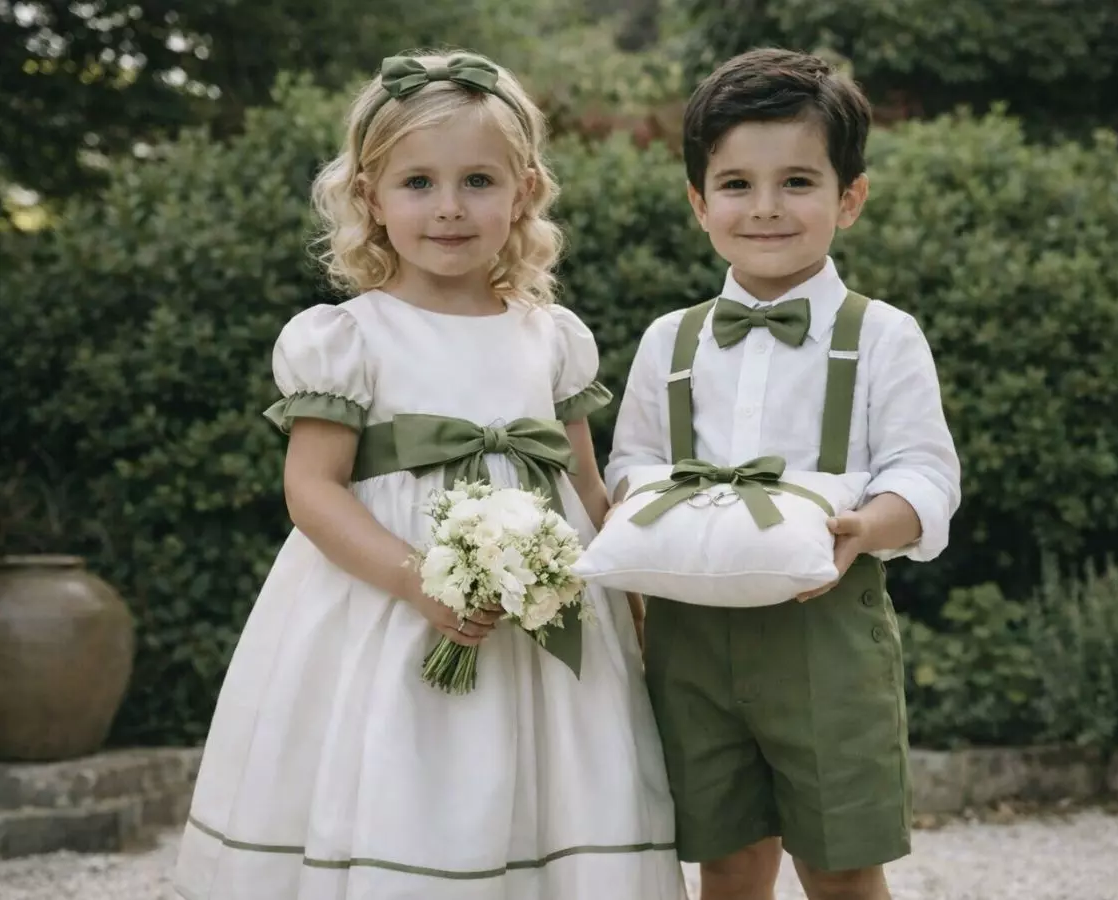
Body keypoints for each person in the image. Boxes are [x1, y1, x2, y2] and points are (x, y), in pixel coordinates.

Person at [173, 50, 684, 900]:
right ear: (369, 197)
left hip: (544, 627)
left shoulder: (551, 337)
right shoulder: (347, 339)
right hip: (387, 610)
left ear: (523, 191)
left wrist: (638, 604)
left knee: (558, 796)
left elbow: (590, 494)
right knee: (407, 784)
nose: (449, 208)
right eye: (417, 183)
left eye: (478, 180)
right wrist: (418, 584)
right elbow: (314, 489)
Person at [605, 48, 961, 900]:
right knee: (726, 862)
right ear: (699, 203)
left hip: (827, 633)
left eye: (798, 182)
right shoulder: (670, 341)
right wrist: (663, 516)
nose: (765, 208)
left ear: (850, 198)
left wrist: (866, 529)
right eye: (735, 185)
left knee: (840, 868)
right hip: (691, 638)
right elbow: (631, 464)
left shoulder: (883, 336)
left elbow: (926, 473)